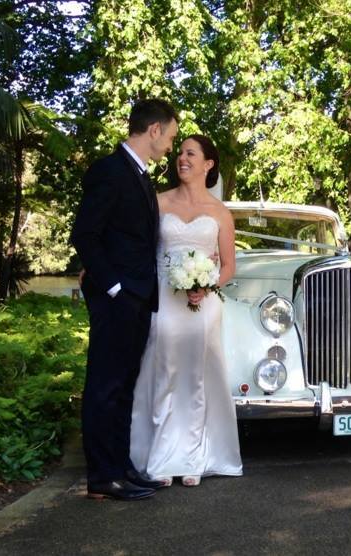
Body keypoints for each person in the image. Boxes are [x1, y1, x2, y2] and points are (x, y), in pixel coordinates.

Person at [71, 99, 179, 501]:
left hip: (137, 297)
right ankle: (102, 476)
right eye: (170, 137)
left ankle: (120, 467)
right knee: (105, 386)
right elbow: (85, 235)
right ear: (154, 130)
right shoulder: (109, 170)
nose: (171, 145)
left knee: (124, 387)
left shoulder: (140, 174)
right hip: (117, 298)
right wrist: (114, 287)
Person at [129, 134, 242, 488]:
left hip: (202, 305)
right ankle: (162, 457)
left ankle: (193, 458)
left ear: (208, 164)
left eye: (190, 153)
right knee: (164, 374)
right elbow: (138, 248)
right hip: (163, 298)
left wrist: (206, 285)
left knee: (195, 380)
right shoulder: (158, 202)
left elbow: (228, 266)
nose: (182, 158)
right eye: (180, 153)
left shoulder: (220, 212)